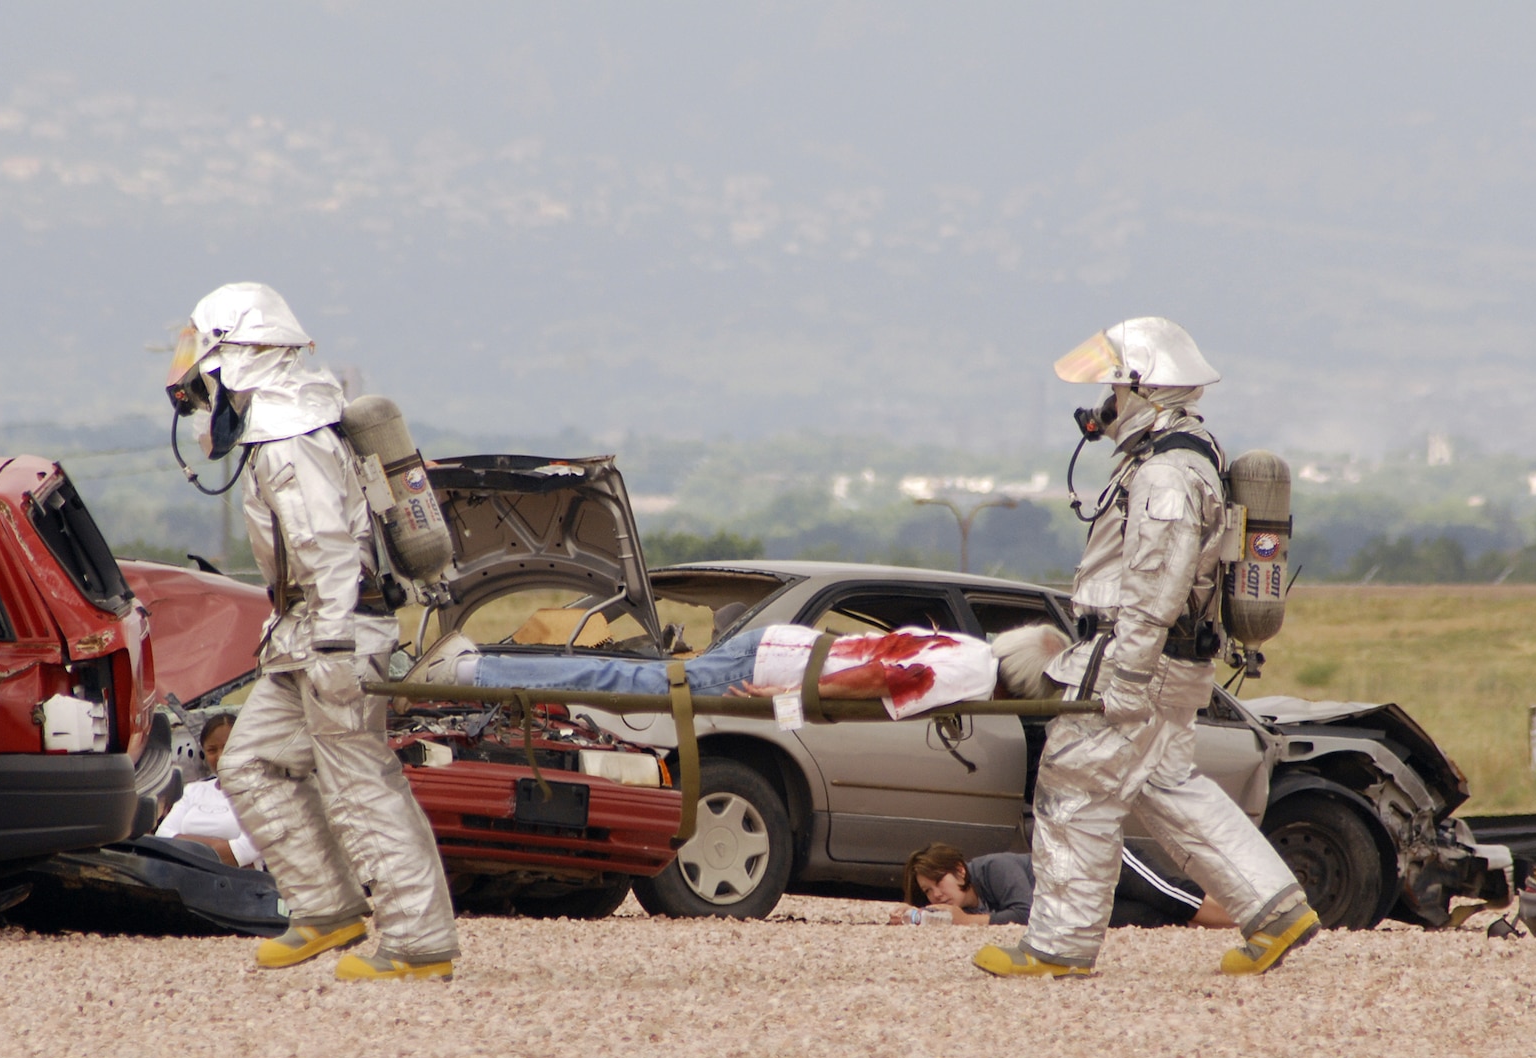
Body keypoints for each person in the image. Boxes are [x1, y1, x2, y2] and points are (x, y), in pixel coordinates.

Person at [973, 317, 1318, 980]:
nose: (1106, 399)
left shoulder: (1165, 476)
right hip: (1168, 662)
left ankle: (1058, 944)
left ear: (1144, 388)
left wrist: (1124, 676)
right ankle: (1275, 910)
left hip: (1137, 659)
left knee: (1074, 785)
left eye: (1114, 384)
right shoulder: (1179, 460)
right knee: (1165, 783)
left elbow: (1156, 584)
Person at [165, 282, 459, 981]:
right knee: (249, 762)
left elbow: (326, 544)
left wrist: (331, 648)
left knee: (359, 779)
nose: (190, 378)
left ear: (233, 356)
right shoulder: (286, 423)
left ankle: (419, 943)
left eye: (200, 355)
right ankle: (327, 908)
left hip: (336, 633)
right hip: (307, 633)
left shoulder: (287, 438)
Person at [421, 622, 1001, 720]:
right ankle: (473, 671)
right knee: (625, 685)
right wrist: (791, 696)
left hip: (785, 645)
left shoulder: (971, 646)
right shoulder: (977, 674)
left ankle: (485, 665)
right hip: (774, 665)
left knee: (633, 678)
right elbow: (887, 679)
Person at [892, 842, 1234, 928]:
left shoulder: (994, 869)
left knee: (1169, 895)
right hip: (1082, 901)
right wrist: (914, 914)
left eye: (938, 882)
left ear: (959, 870)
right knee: (1154, 915)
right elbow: (942, 914)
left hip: (1098, 862)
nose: (936, 894)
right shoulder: (966, 904)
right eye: (928, 892)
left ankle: (1249, 911)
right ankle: (1237, 922)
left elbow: (1028, 913)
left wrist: (967, 923)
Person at [155, 716, 262, 868]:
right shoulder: (193, 790)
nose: (220, 757)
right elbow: (162, 838)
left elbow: (241, 853)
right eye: (212, 750)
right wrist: (221, 845)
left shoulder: (264, 795)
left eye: (229, 747)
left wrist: (181, 843)